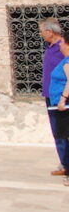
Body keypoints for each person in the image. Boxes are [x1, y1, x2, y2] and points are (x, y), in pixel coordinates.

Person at [40, 19, 67, 176]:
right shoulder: (49, 47)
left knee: (63, 131)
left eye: (42, 30)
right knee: (57, 131)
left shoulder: (62, 48)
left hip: (60, 96)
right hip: (49, 95)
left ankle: (67, 164)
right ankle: (64, 163)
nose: (41, 34)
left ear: (50, 32)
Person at [46, 35, 69, 186]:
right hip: (58, 105)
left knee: (66, 138)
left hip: (63, 106)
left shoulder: (68, 62)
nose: (60, 46)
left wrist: (62, 99)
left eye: (63, 44)